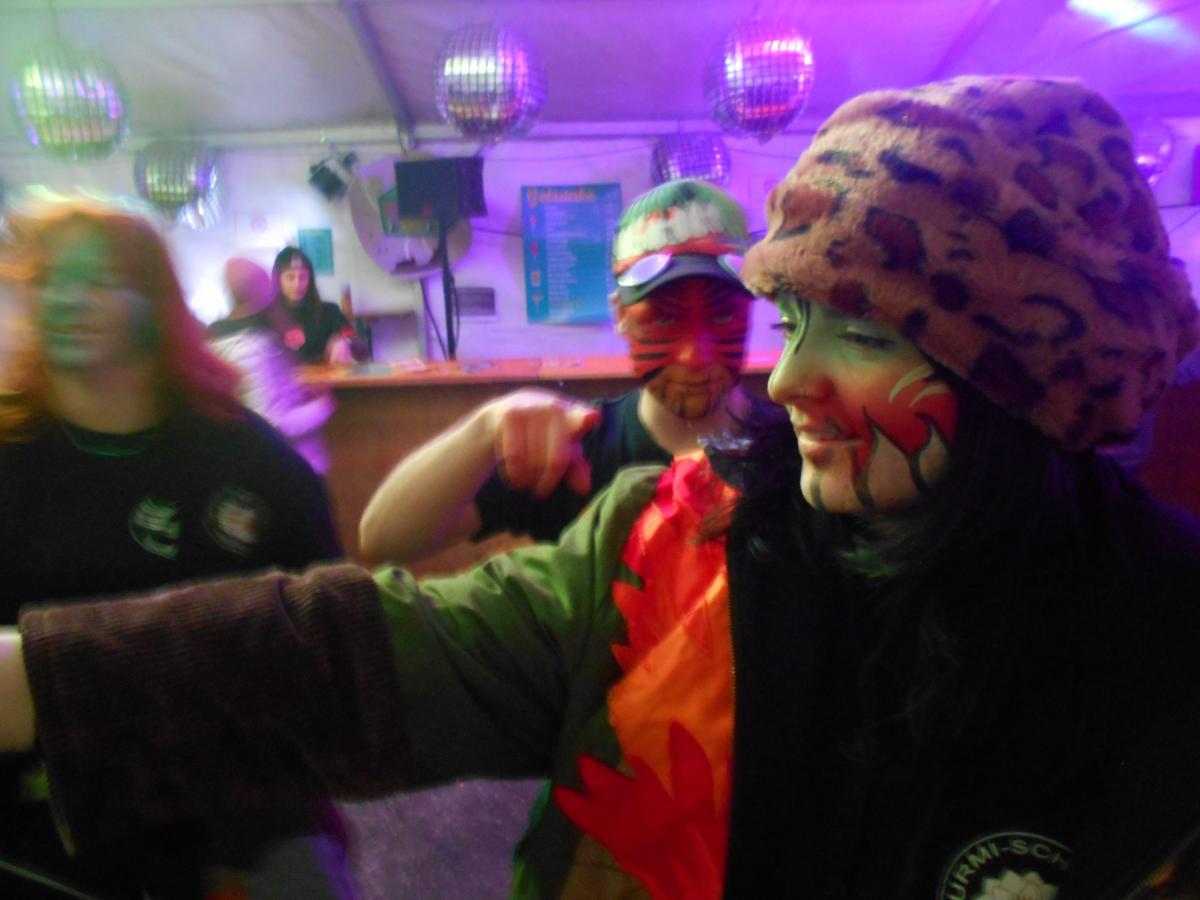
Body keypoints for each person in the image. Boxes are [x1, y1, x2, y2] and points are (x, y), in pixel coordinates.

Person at [0, 75, 1198, 898]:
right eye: (794, 319)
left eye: (867, 332)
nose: (788, 378)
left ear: (1032, 379)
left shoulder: (1164, 646)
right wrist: (38, 682)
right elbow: (355, 646)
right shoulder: (681, 539)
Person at [0, 203, 351, 898]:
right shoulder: (10, 459)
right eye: (51, 280)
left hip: (231, 816)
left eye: (97, 280)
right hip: (37, 828)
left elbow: (324, 643)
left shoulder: (248, 460)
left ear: (154, 302)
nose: (68, 299)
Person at [359, 177, 764, 564]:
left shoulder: (791, 448)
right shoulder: (573, 454)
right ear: (620, 315)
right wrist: (486, 427)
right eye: (663, 318)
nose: (695, 354)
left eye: (722, 315)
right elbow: (382, 539)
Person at [209, 257, 336, 475]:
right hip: (288, 468)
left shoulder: (224, 340)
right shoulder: (248, 347)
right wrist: (323, 404)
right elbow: (271, 424)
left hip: (275, 466)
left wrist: (296, 392)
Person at [273, 246, 363, 366]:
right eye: (290, 277)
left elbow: (360, 348)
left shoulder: (329, 312)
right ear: (278, 280)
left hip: (323, 377)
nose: (297, 284)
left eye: (303, 277)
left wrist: (346, 342)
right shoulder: (266, 316)